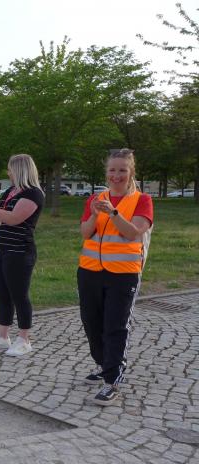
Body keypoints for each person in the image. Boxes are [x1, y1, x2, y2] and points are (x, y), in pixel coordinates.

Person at [78, 149, 153, 406]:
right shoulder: (95, 199)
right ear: (106, 172)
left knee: (115, 326)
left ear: (131, 173)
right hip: (89, 271)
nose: (116, 175)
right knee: (91, 322)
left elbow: (133, 232)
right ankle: (103, 364)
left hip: (123, 274)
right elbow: (85, 233)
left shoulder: (142, 200)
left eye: (122, 170)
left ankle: (112, 381)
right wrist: (95, 214)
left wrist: (113, 213)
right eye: (112, 170)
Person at [0, 154, 45, 356]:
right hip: (0, 249)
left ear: (20, 170)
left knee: (19, 296)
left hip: (19, 252)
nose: (8, 172)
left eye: (10, 169)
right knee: (2, 294)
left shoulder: (33, 194)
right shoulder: (10, 191)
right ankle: (3, 336)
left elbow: (13, 219)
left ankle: (24, 339)